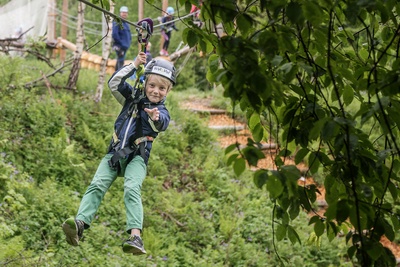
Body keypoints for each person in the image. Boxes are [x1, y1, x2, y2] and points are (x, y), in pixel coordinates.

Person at [62, 52, 176, 255]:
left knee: (131, 188)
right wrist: (134, 65)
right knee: (97, 185)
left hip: (137, 157)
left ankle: (136, 237)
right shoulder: (131, 98)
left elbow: (161, 123)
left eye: (161, 88)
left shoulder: (161, 111)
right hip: (114, 153)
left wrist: (155, 116)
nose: (155, 91)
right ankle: (80, 225)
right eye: (152, 85)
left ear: (167, 91)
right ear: (145, 83)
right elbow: (114, 83)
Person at [112, 6, 132, 71]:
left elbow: (128, 35)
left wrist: (128, 42)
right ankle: (118, 77)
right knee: (120, 61)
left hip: (125, 46)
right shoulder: (117, 22)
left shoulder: (126, 24)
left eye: (126, 13)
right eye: (123, 12)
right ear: (120, 13)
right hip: (119, 46)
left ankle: (115, 75)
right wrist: (120, 43)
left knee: (120, 60)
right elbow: (115, 34)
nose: (124, 14)